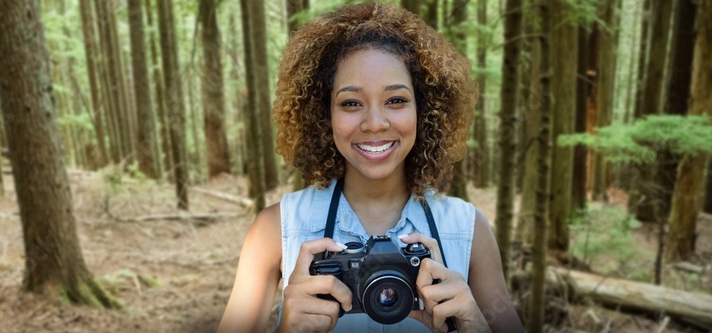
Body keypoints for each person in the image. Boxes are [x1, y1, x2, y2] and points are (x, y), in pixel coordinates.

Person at [217, 3, 524, 333]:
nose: (375, 123)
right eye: (351, 103)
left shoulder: (469, 229)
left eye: (396, 100)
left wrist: (476, 327)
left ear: (424, 110)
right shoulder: (274, 230)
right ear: (325, 114)